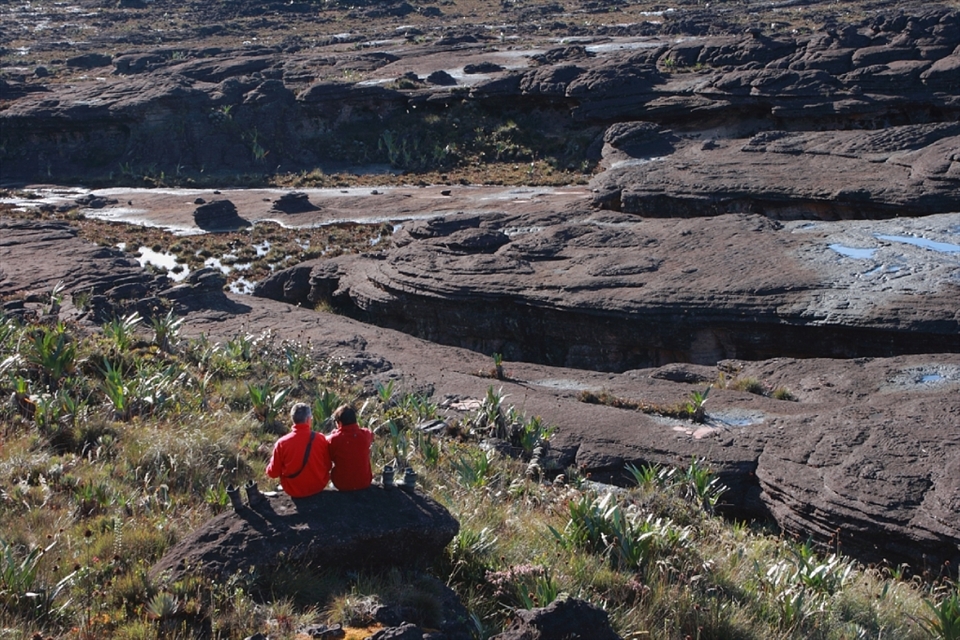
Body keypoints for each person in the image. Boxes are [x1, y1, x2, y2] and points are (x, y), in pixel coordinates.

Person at [266, 402, 331, 498]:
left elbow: (272, 473)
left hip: (293, 490)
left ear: (293, 420)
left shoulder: (282, 443)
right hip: (318, 486)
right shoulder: (320, 438)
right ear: (308, 419)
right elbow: (328, 465)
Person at [326, 404, 374, 491]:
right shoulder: (365, 435)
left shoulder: (334, 439)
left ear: (339, 423)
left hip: (341, 484)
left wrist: (335, 433)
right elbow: (370, 433)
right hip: (364, 482)